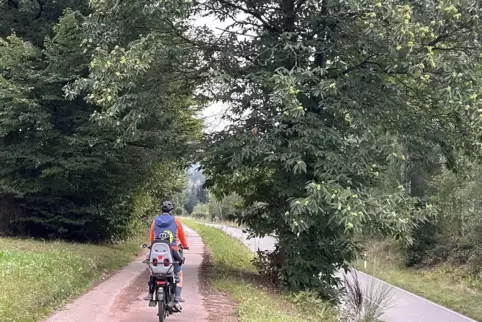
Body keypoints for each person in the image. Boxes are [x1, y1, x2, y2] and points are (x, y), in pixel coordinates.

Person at [144, 201, 189, 302]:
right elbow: (181, 236)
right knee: (179, 272)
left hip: (156, 249)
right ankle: (177, 296)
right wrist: (185, 246)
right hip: (172, 251)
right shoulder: (176, 221)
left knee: (152, 269)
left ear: (161, 210)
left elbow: (152, 237)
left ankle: (150, 294)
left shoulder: (155, 221)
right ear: (171, 211)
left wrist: (153, 245)